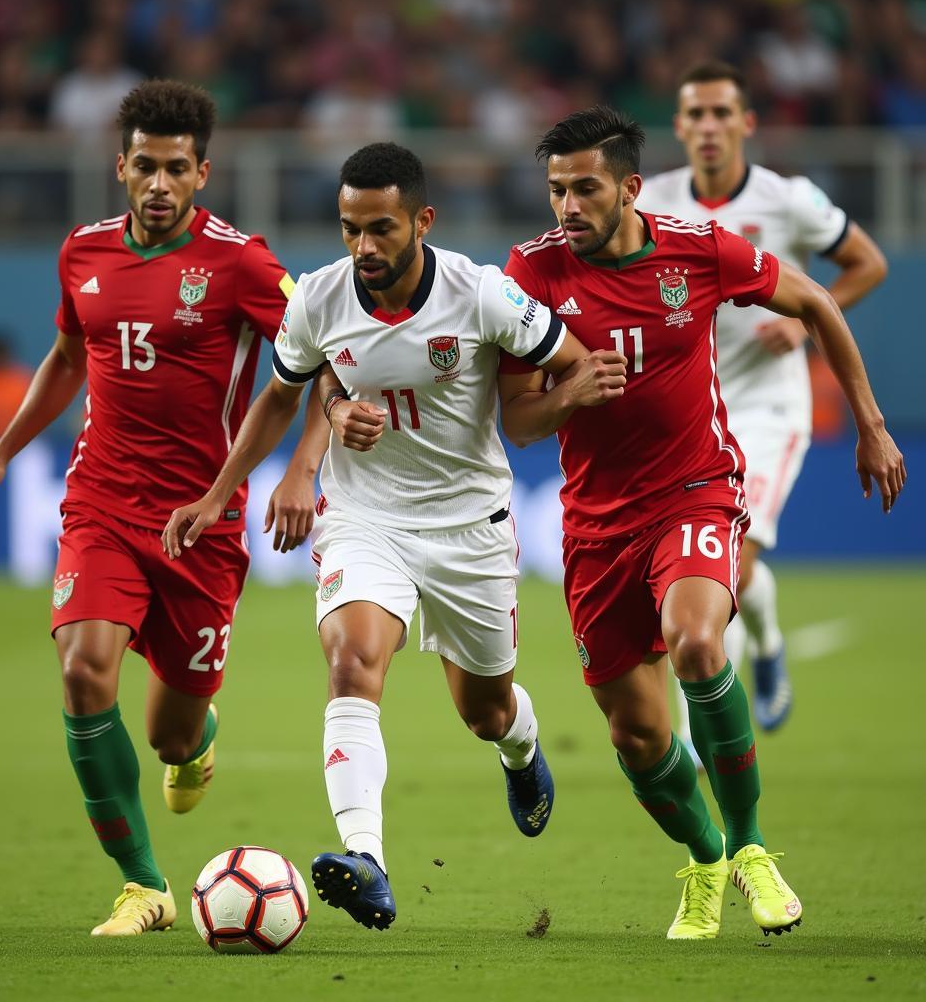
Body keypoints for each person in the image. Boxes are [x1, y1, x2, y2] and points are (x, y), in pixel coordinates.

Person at [162, 141, 626, 932]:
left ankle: (520, 746)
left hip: (469, 526)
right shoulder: (317, 299)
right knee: (352, 666)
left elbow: (580, 372)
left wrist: (566, 396)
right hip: (365, 518)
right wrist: (221, 492)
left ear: (423, 221)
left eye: (381, 229)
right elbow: (283, 393)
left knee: (482, 709)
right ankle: (367, 859)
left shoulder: (483, 296)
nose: (364, 248)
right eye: (350, 229)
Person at [499, 106, 904, 941]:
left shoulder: (698, 249)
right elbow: (520, 422)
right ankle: (708, 855)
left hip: (695, 490)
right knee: (637, 733)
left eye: (584, 189)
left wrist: (870, 425)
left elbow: (821, 299)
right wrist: (569, 393)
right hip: (594, 526)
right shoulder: (531, 273)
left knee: (695, 642)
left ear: (629, 188)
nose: (567, 208)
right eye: (555, 191)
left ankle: (753, 847)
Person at [0, 79, 328, 937]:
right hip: (101, 503)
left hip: (204, 520)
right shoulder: (82, 253)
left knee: (169, 732)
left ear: (203, 172)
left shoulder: (242, 263)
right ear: (120, 165)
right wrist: (3, 453)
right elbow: (64, 357)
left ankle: (195, 741)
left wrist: (302, 466)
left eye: (177, 170)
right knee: (85, 671)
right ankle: (143, 885)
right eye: (145, 167)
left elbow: (321, 360)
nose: (159, 185)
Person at [640, 60, 889, 747]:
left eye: (723, 113)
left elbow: (867, 262)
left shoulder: (790, 199)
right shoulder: (651, 201)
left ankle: (694, 740)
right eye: (697, 114)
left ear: (746, 123)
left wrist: (809, 317)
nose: (710, 126)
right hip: (685, 416)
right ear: (681, 127)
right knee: (721, 568)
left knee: (731, 561)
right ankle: (770, 640)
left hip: (768, 411)